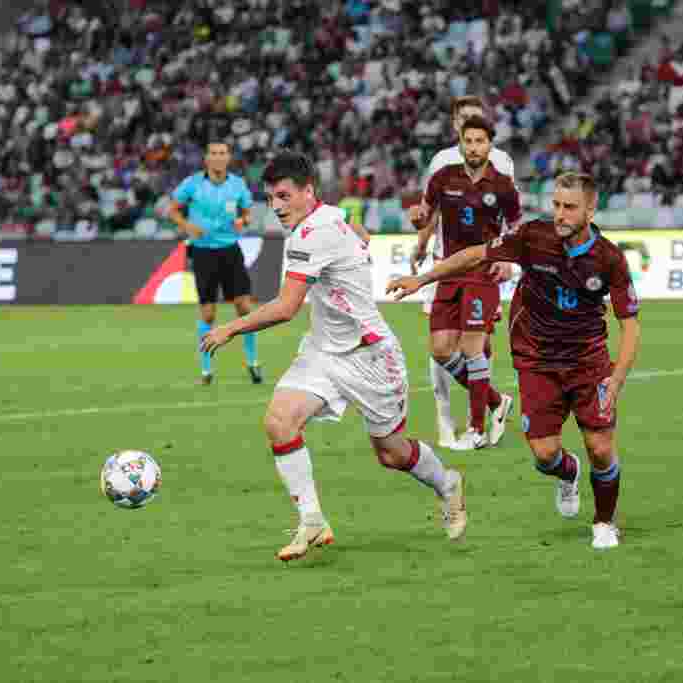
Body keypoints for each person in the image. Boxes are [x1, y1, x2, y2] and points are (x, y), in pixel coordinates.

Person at [200, 151, 467, 562]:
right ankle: (312, 520)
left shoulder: (313, 233)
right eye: (270, 198)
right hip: (324, 351)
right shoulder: (326, 216)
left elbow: (286, 308)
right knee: (279, 421)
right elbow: (355, 228)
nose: (276, 207)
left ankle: (447, 483)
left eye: (284, 196)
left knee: (392, 454)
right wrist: (354, 235)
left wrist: (231, 327)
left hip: (370, 357)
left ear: (308, 192)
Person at [388, 172, 641, 549]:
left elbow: (630, 325)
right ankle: (568, 473)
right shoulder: (533, 236)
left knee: (601, 448)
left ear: (590, 210)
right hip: (536, 359)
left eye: (570, 207)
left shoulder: (609, 259)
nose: (560, 214)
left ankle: (604, 523)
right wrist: (422, 280)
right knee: (545, 455)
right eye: (556, 205)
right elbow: (475, 255)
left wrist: (616, 380)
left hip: (587, 361)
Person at [410, 95, 519, 449]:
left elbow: (514, 223)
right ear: (456, 128)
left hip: (484, 267)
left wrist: (508, 259)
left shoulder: (502, 171)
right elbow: (429, 212)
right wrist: (420, 237)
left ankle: (475, 428)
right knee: (441, 348)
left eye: (479, 138)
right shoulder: (442, 167)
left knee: (477, 344)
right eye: (467, 134)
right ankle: (489, 403)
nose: (473, 144)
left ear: (488, 139)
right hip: (445, 265)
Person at [169, 140, 262, 386]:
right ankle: (206, 369)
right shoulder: (192, 184)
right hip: (202, 252)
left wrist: (243, 221)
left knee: (244, 307)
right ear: (207, 159)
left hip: (230, 249)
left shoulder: (237, 184)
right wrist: (187, 226)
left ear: (228, 158)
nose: (218, 157)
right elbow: (173, 210)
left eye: (222, 153)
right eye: (214, 153)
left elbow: (248, 213)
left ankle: (253, 362)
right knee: (208, 314)